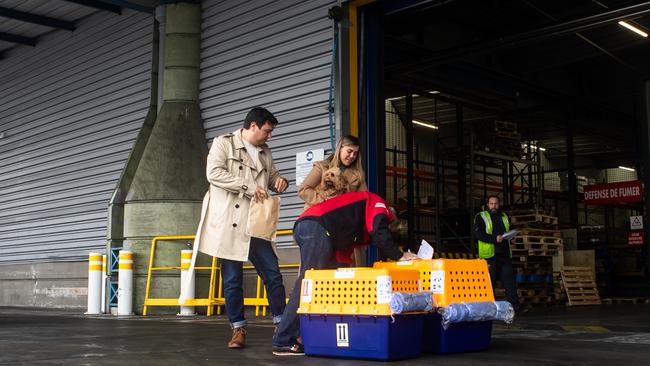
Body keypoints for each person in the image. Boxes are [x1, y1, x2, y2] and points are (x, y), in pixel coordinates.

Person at [271, 191, 419, 356]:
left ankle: (309, 336)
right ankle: (283, 339)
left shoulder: (356, 225)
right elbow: (379, 231)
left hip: (315, 228)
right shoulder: (380, 206)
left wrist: (343, 275)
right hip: (316, 226)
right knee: (309, 285)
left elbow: (344, 254)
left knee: (324, 289)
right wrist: (399, 255)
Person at [193, 107, 289, 349]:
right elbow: (213, 173)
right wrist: (246, 186)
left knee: (273, 275)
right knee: (232, 280)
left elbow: (272, 177)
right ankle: (238, 329)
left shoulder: (266, 153)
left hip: (256, 222)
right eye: (267, 131)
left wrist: (279, 182)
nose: (270, 136)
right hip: (229, 223)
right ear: (253, 126)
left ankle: (282, 326)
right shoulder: (223, 144)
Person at [474, 195, 525, 313]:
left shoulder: (504, 217)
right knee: (490, 283)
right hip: (489, 256)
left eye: (496, 203)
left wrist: (511, 235)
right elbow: (478, 234)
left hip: (504, 255)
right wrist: (494, 239)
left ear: (499, 204)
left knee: (510, 282)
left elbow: (507, 232)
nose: (494, 206)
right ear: (487, 204)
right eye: (491, 204)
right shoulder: (481, 217)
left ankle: (515, 307)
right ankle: (490, 309)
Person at [298, 135, 367, 209]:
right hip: (319, 214)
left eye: (355, 153)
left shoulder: (358, 174)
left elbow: (364, 199)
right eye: (349, 151)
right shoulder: (322, 167)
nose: (352, 156)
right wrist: (324, 202)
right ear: (340, 149)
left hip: (343, 216)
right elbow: (303, 189)